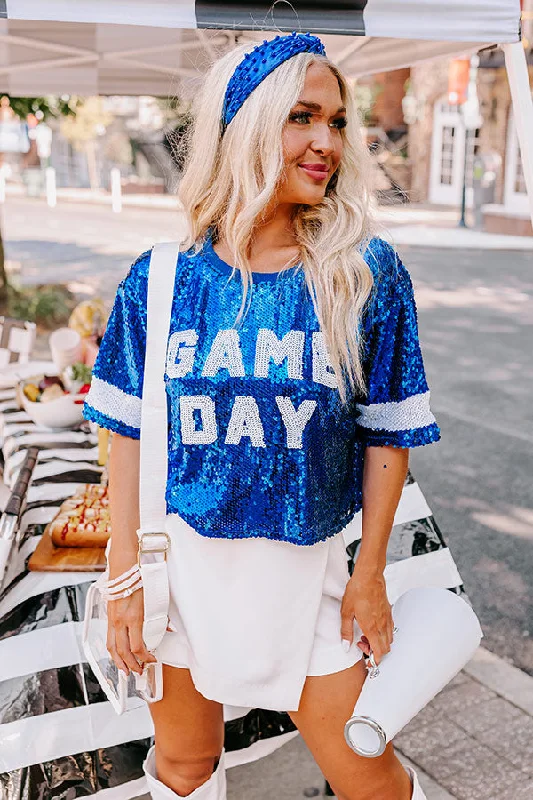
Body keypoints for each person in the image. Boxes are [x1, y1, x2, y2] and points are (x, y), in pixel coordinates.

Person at [84, 31, 440, 800]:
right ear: (244, 123)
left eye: (338, 122)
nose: (327, 143)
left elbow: (387, 435)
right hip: (182, 568)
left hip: (308, 571)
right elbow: (128, 433)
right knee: (183, 766)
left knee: (368, 777)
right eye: (302, 117)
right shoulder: (162, 278)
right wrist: (123, 580)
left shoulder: (362, 273)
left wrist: (369, 576)